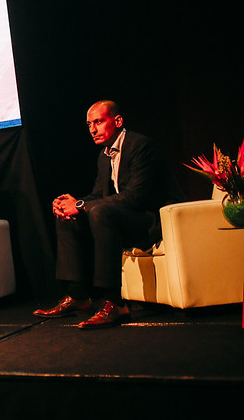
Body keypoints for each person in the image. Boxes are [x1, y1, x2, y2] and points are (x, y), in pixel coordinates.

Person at [34, 100, 185, 329]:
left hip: (151, 220)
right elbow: (98, 194)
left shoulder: (140, 146)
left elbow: (135, 197)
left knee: (100, 213)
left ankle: (114, 302)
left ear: (117, 121)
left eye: (98, 122)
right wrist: (70, 205)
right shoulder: (105, 155)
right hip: (123, 218)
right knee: (69, 218)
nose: (92, 129)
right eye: (89, 124)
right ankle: (78, 296)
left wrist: (81, 205)